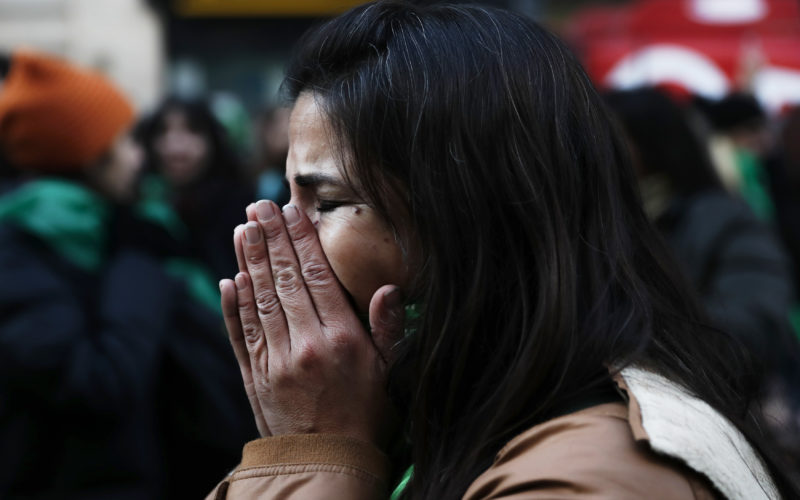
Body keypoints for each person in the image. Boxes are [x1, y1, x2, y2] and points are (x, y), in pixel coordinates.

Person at [211, 2, 799, 499]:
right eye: (284, 195)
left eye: (328, 203)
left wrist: (315, 455)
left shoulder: (585, 476)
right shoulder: (429, 416)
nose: (283, 238)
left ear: (466, 214)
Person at [0, 51, 255, 499]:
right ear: (88, 155)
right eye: (126, 142)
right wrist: (137, 266)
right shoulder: (20, 249)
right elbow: (95, 382)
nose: (141, 157)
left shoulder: (111, 227)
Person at [136, 96, 255, 281]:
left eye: (192, 130)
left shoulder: (240, 207)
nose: (175, 147)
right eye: (163, 131)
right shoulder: (137, 208)